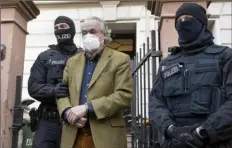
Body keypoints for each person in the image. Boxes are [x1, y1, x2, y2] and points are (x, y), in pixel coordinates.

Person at [149, 3, 232, 148]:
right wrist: (170, 129)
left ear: (201, 24)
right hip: (174, 143)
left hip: (213, 141)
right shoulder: (167, 63)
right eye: (179, 21)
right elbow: (156, 102)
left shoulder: (225, 56)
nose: (183, 23)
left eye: (188, 18)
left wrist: (203, 132)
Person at [56, 16, 133, 148]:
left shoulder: (120, 59)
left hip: (106, 137)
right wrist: (67, 112)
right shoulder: (72, 62)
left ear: (104, 35)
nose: (88, 36)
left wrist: (87, 107)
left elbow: (123, 95)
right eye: (85, 33)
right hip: (74, 135)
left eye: (93, 31)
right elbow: (62, 92)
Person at [28, 16, 82, 148]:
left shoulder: (83, 56)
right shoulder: (45, 57)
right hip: (49, 120)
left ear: (72, 30)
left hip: (75, 119)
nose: (59, 30)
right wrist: (53, 91)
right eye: (56, 28)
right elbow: (33, 87)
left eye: (63, 26)